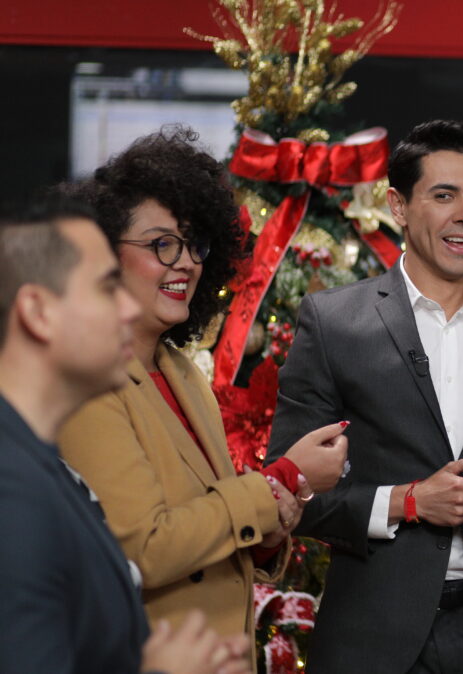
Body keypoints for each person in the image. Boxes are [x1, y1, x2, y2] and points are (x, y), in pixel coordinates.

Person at [266, 119, 463, 673]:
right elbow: (290, 492)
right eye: (444, 196)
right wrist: (407, 501)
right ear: (399, 206)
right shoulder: (336, 321)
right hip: (371, 634)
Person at [55, 128, 349, 660]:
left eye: (195, 244)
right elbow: (144, 549)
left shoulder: (185, 374)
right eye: (162, 244)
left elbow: (213, 529)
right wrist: (278, 481)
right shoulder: (88, 381)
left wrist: (270, 530)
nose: (187, 263)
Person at [0, 199, 250, 674]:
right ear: (37, 311)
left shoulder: (38, 463)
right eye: (106, 288)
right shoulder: (12, 488)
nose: (126, 307)